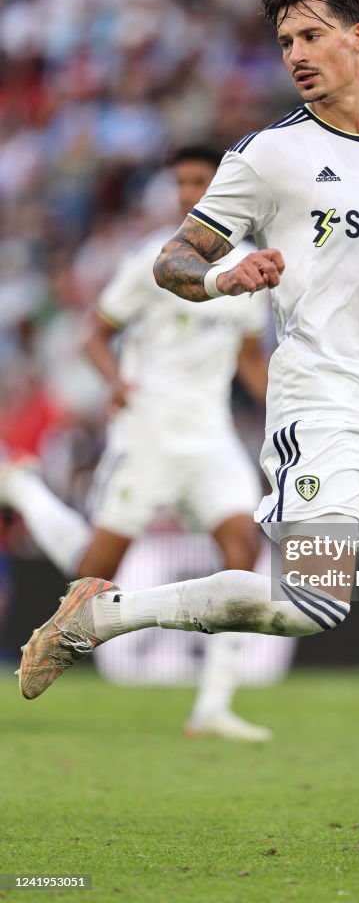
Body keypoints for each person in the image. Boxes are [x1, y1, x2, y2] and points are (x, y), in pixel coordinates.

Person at [18, 0, 359, 855]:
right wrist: (224, 276)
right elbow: (172, 262)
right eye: (285, 42)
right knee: (311, 609)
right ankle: (99, 616)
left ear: (358, 36)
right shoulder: (267, 155)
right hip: (318, 405)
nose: (295, 54)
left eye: (311, 35)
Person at [6, 145, 273, 742]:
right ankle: (25, 489)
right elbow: (95, 332)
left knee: (242, 547)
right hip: (147, 430)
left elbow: (251, 358)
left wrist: (283, 408)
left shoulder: (253, 266)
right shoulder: (155, 260)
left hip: (209, 436)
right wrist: (116, 379)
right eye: (180, 181)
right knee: (93, 575)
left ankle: (213, 705)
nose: (188, 193)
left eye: (199, 181)